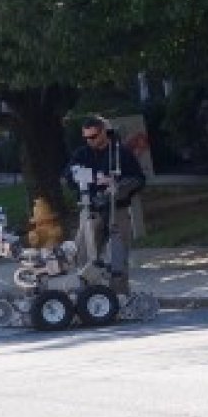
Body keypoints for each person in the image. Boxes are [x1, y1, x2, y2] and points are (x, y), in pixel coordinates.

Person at [66, 115, 146, 294]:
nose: (90, 141)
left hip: (117, 209)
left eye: (93, 136)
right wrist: (87, 178)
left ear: (103, 132)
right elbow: (69, 176)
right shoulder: (82, 154)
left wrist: (117, 185)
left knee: (118, 257)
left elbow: (138, 179)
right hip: (91, 209)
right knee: (83, 254)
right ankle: (89, 295)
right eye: (86, 137)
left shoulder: (120, 153)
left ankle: (119, 296)